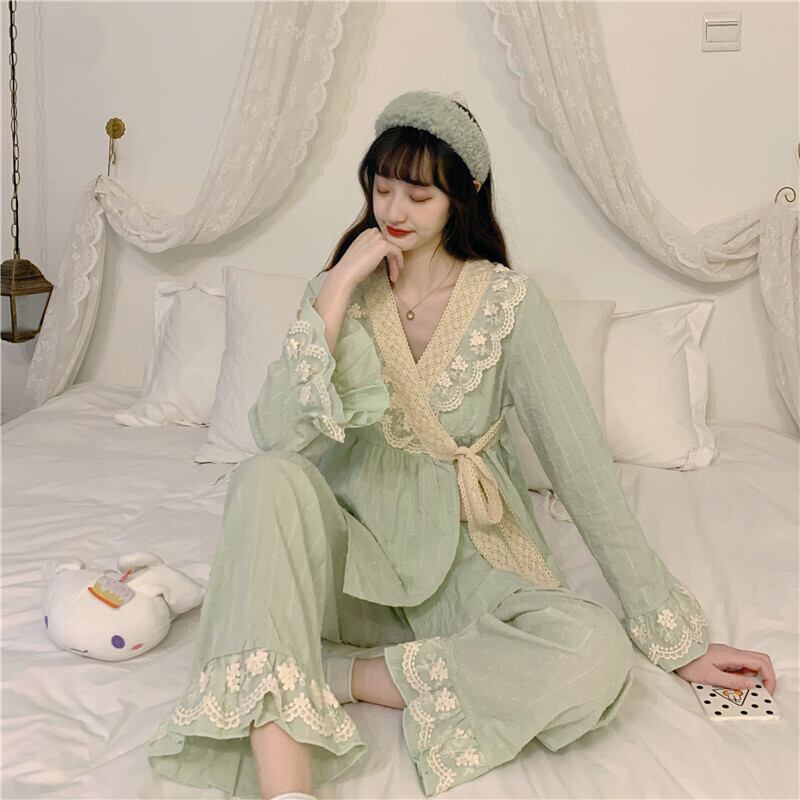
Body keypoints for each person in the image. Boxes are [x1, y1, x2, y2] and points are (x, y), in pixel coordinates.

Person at [147, 89, 777, 800]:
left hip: (467, 564)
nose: (394, 210)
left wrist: (677, 640)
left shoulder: (509, 304)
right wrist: (338, 286)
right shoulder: (337, 293)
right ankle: (286, 789)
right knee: (264, 476)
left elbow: (582, 473)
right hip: (349, 565)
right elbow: (275, 434)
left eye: (419, 194)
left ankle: (333, 675)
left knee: (594, 652)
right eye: (382, 188)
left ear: (464, 195)